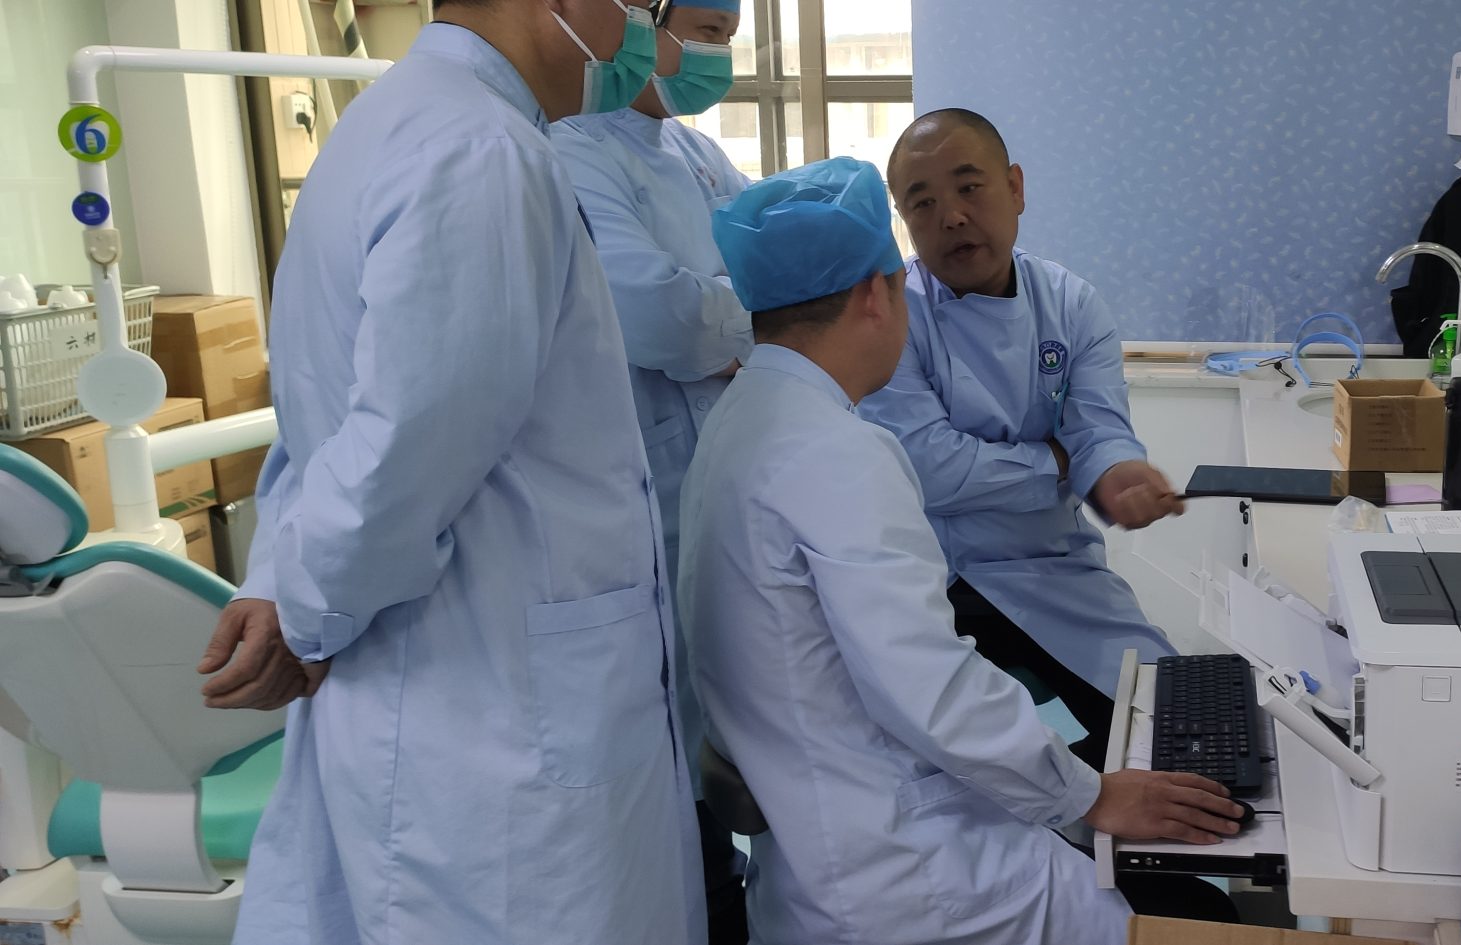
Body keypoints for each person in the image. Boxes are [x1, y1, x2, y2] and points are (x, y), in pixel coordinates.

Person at [192, 1, 704, 942]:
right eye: (638, 3)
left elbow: (328, 431)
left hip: (449, 690)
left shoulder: (406, 122)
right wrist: (301, 610)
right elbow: (405, 448)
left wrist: (283, 580)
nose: (645, 27)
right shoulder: (480, 150)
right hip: (490, 715)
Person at [680, 157, 1244, 945]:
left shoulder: (740, 418)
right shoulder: (836, 450)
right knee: (1195, 910)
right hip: (910, 873)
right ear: (877, 294)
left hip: (824, 846)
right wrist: (1090, 794)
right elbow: (932, 688)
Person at [860, 107, 1184, 769]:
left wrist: (1117, 471)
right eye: (922, 203)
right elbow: (928, 468)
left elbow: (1100, 430)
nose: (952, 217)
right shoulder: (893, 316)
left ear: (1015, 187)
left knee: (1169, 713)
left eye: (969, 187)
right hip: (943, 582)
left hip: (1058, 565)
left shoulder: (1072, 304)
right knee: (1032, 760)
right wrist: (1062, 460)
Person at [550, 1, 751, 936]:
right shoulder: (571, 148)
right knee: (671, 750)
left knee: (738, 717)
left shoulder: (699, 156)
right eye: (701, 30)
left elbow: (788, 280)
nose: (714, 56)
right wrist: (744, 323)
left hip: (731, 469)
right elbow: (655, 314)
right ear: (644, 19)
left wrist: (726, 324)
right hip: (646, 486)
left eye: (726, 37)